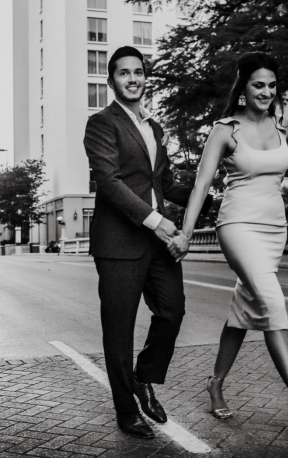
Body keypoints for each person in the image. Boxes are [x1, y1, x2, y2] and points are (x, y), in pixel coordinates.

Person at [174, 52, 288, 443]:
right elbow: (201, 185)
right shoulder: (225, 130)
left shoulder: (285, 131)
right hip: (236, 226)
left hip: (273, 231)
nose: (266, 92)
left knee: (247, 307)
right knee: (273, 303)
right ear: (243, 88)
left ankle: (215, 383)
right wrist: (185, 232)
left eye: (271, 84)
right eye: (258, 85)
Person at [83, 46, 211, 439]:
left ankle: (143, 377)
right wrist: (158, 222)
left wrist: (206, 192)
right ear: (112, 81)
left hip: (156, 243)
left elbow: (163, 183)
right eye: (124, 73)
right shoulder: (101, 124)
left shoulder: (154, 128)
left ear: (145, 77)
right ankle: (126, 411)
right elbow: (111, 183)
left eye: (138, 72)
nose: (133, 79)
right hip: (119, 242)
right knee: (118, 331)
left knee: (172, 311)